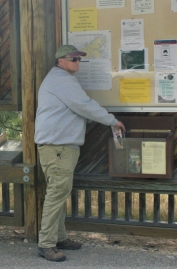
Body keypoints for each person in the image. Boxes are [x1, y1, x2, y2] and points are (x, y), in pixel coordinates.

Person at [34, 45, 126, 262]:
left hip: (59, 147)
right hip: (58, 148)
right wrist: (112, 121)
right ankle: (46, 244)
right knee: (57, 194)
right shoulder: (61, 80)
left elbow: (77, 108)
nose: (77, 63)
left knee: (60, 192)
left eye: (79, 60)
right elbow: (85, 105)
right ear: (60, 61)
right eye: (73, 59)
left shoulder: (60, 79)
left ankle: (59, 237)